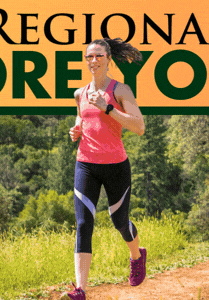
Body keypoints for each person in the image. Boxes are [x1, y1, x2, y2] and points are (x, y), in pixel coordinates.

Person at [61, 38, 146, 300]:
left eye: (98, 55)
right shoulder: (80, 93)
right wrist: (76, 130)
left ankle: (136, 255)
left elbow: (139, 127)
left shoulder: (121, 91)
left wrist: (108, 108)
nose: (93, 60)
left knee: (119, 221)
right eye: (89, 57)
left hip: (116, 166)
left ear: (108, 59)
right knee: (84, 223)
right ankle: (81, 289)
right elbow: (82, 118)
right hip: (85, 163)